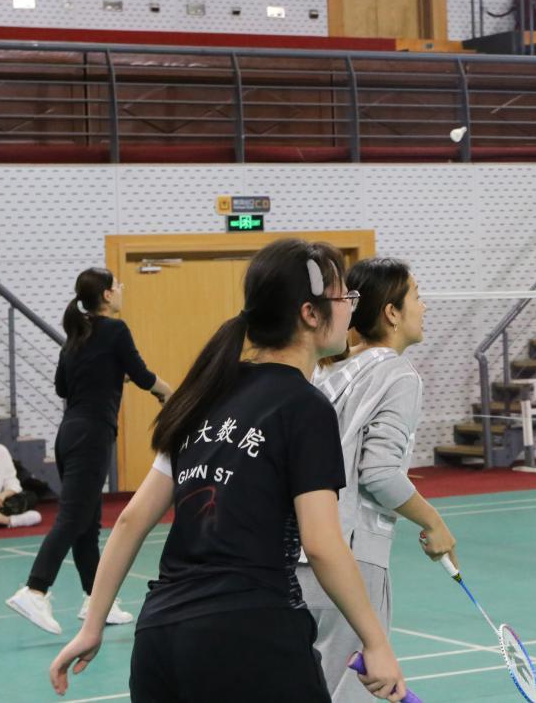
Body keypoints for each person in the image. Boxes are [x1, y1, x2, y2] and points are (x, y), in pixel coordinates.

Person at [48, 239, 408, 702]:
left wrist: (92, 626)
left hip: (159, 639)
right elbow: (321, 544)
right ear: (309, 314)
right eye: (344, 298)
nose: (351, 310)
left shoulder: (204, 393)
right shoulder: (305, 407)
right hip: (253, 637)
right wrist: (376, 642)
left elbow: (131, 519)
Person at [296, 258, 456, 701]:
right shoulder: (398, 375)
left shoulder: (326, 371)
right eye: (417, 297)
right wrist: (434, 522)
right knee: (350, 691)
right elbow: (380, 474)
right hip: (350, 555)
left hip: (296, 553)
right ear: (391, 313)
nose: (424, 307)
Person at [7, 267, 172, 635]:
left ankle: (97, 601)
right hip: (92, 435)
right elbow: (142, 375)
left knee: (86, 524)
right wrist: (171, 394)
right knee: (72, 518)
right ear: (108, 295)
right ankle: (35, 589)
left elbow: (62, 387)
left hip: (69, 434)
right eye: (118, 285)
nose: (122, 289)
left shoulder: (76, 337)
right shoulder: (114, 330)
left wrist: (109, 372)